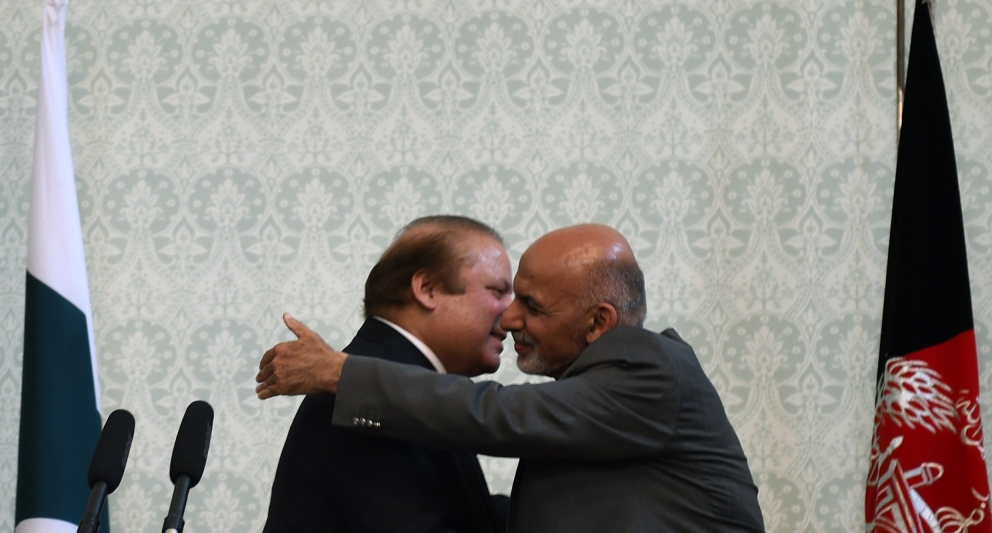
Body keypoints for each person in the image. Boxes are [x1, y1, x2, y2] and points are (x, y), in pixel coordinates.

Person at [257, 224, 766, 533]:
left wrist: (341, 374)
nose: (510, 318)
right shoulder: (380, 402)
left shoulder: (649, 365)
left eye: (529, 304)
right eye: (504, 294)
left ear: (598, 324)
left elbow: (498, 414)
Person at [262, 215, 512, 533]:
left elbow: (466, 512)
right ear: (428, 289)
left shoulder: (394, 383)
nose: (513, 314)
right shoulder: (362, 398)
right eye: (498, 291)